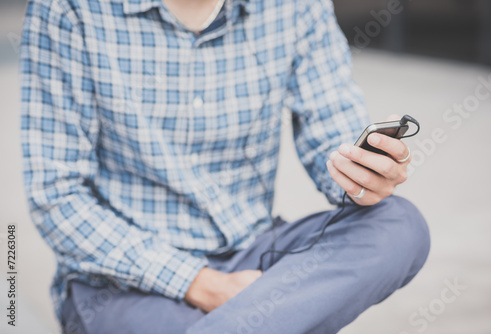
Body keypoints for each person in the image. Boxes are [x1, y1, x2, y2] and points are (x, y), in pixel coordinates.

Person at [19, 0, 430, 332]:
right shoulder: (69, 10)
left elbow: (331, 130)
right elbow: (58, 197)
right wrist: (205, 286)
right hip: (122, 281)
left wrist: (360, 176)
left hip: (255, 257)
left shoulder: (296, 7)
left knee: (399, 225)